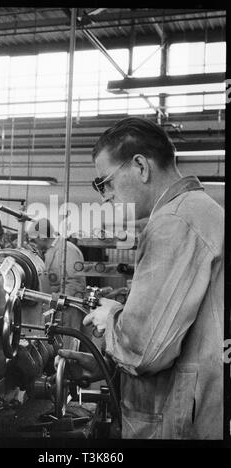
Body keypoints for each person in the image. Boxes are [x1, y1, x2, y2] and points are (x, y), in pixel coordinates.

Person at [56, 117, 224, 439]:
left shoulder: (175, 222)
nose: (105, 196)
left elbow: (146, 350)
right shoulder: (197, 211)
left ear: (140, 167)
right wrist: (108, 364)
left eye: (105, 182)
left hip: (179, 425)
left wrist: (112, 317)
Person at [27, 217, 87, 349]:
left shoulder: (67, 250)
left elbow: (75, 283)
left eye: (33, 239)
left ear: (42, 237)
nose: (33, 243)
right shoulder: (50, 251)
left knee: (69, 347)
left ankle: (68, 368)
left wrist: (57, 304)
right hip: (57, 307)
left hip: (69, 307)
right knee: (59, 347)